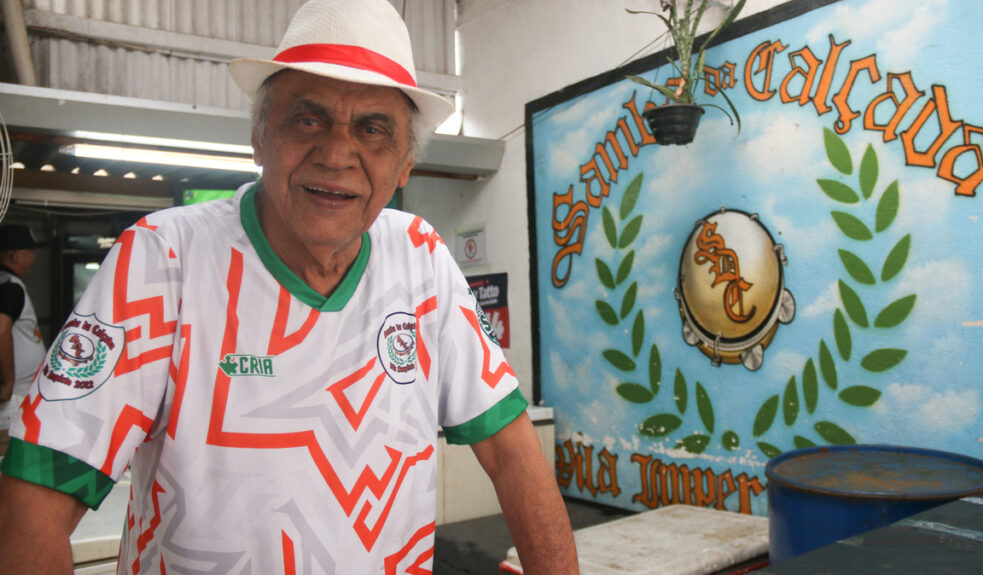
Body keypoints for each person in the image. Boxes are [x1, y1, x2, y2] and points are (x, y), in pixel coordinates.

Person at [0, 0, 579, 573]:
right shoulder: (163, 258)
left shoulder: (421, 257)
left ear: (405, 164)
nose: (336, 153)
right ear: (259, 139)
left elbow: (512, 452)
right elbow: (32, 508)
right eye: (308, 120)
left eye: (373, 130)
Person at [0, 224, 46, 406]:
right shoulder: (10, 286)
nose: (34, 256)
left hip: (23, 389)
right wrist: (8, 383)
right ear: (16, 257)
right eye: (30, 251)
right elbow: (1, 330)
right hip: (16, 393)